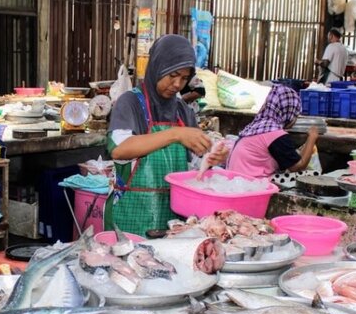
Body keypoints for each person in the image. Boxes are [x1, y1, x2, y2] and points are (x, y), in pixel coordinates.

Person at [106, 34, 226, 236]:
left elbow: (194, 164)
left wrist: (210, 159)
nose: (178, 84)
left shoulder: (182, 111)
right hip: (132, 218)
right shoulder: (130, 103)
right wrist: (175, 134)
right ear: (157, 66)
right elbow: (119, 149)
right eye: (173, 75)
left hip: (174, 220)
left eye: (184, 78)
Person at [226, 85, 320, 179]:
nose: (295, 119)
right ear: (288, 112)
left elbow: (295, 160)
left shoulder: (257, 127)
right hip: (251, 185)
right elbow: (298, 167)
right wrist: (312, 137)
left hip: (235, 182)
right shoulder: (275, 134)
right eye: (295, 115)